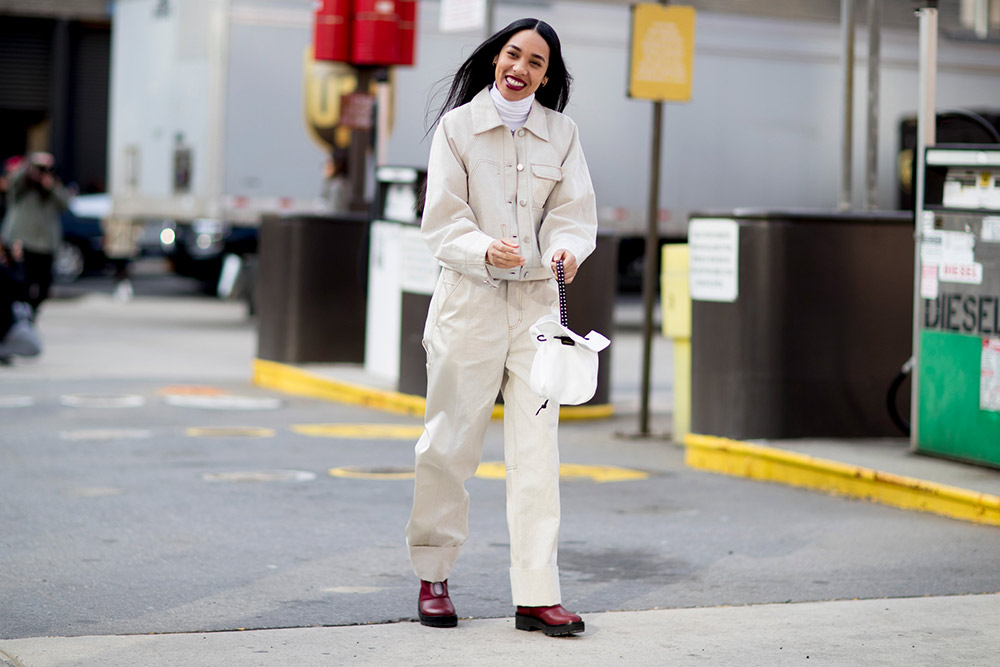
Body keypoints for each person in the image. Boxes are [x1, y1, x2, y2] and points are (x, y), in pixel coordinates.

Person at [405, 18, 598, 637]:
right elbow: (442, 222)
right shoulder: (458, 129)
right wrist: (484, 249)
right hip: (471, 304)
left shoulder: (562, 134)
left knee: (538, 454)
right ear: (496, 58)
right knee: (450, 443)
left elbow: (573, 212)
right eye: (513, 54)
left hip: (538, 311)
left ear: (547, 75)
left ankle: (537, 594)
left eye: (536, 63)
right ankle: (433, 576)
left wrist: (568, 249)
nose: (521, 68)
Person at [0, 152, 71, 317]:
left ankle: (30, 311)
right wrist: (30, 164)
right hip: (23, 241)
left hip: (46, 244)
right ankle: (22, 312)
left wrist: (51, 185)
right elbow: (13, 183)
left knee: (45, 286)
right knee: (23, 282)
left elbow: (66, 203)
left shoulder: (51, 187)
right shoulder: (23, 187)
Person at [0, 242, 43, 365]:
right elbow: (23, 290)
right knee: (34, 346)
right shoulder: (3, 271)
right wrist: (17, 260)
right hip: (5, 327)